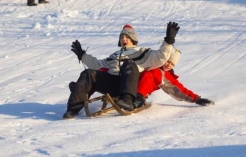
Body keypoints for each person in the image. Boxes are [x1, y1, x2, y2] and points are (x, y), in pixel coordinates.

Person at [63, 22, 180, 119]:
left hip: (130, 84)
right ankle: (73, 108)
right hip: (113, 84)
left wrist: (168, 41)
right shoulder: (114, 55)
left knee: (129, 63)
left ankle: (127, 100)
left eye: (127, 37)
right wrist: (82, 55)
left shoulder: (142, 52)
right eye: (122, 37)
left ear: (133, 39)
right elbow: (97, 64)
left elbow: (160, 57)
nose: (124, 39)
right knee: (88, 73)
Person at [134, 48, 214, 108]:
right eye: (168, 61)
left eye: (172, 64)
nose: (169, 65)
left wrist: (197, 99)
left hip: (138, 93)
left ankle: (139, 98)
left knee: (149, 74)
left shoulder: (165, 76)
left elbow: (179, 90)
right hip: (129, 81)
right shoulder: (152, 61)